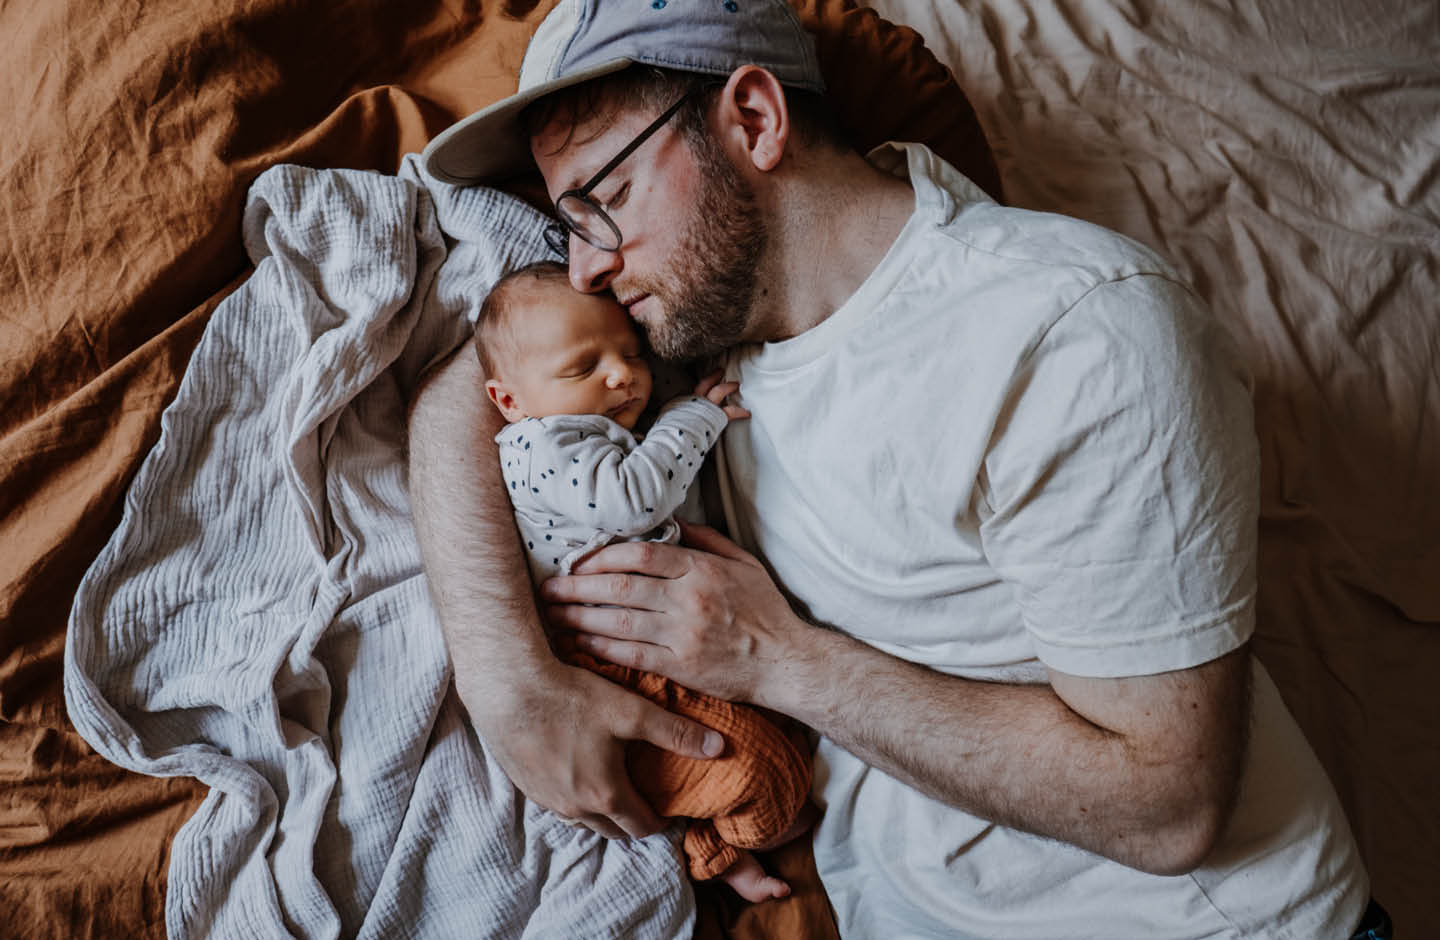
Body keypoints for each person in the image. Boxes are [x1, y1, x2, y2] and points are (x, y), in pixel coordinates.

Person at [409, 0, 1376, 935]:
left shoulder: (1070, 331)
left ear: (753, 119)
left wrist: (773, 658)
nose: (584, 267)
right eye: (567, 221)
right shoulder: (690, 335)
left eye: (607, 200)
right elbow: (475, 392)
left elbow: (1169, 807)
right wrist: (511, 683)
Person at [473, 258, 813, 903]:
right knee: (751, 768)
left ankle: (712, 848)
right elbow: (634, 501)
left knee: (757, 742)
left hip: (650, 641)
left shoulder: (597, 426)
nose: (623, 374)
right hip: (609, 663)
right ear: (509, 400)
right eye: (582, 368)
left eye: (631, 354)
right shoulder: (544, 444)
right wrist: (690, 419)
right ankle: (741, 828)